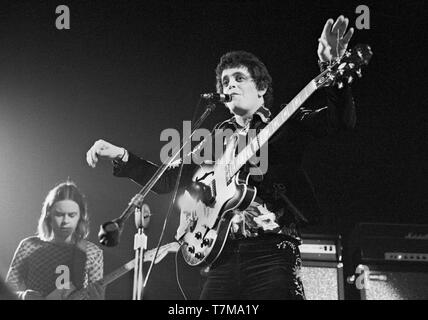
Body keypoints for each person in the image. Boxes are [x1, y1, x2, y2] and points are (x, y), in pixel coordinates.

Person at [86, 16, 355, 299]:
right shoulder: (215, 139)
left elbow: (339, 123)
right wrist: (122, 155)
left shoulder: (284, 122)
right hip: (221, 257)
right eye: (225, 81)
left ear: (261, 88)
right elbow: (167, 180)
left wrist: (332, 71)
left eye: (240, 78)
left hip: (272, 253)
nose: (230, 86)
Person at [6, 181, 105, 300]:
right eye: (59, 214)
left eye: (72, 215)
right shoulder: (29, 246)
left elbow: (96, 296)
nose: (65, 221)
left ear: (80, 217)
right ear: (48, 215)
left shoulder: (92, 252)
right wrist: (22, 296)